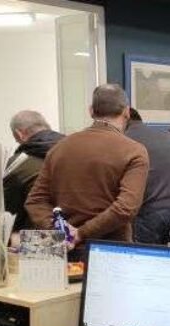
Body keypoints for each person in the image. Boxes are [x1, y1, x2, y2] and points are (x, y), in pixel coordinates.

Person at [25, 84, 149, 247]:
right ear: (127, 112)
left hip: (65, 249)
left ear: (91, 111)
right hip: (110, 250)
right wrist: (82, 233)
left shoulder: (59, 148)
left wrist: (61, 231)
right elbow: (126, 208)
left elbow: (35, 201)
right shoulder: (134, 151)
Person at [125, 109, 170, 247]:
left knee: (148, 258)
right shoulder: (167, 136)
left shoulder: (126, 139)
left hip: (151, 210)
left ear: (124, 118)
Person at [4, 110, 64, 232]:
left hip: (37, 236)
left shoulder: (17, 164)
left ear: (19, 134)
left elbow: (8, 212)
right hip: (77, 233)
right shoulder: (73, 149)